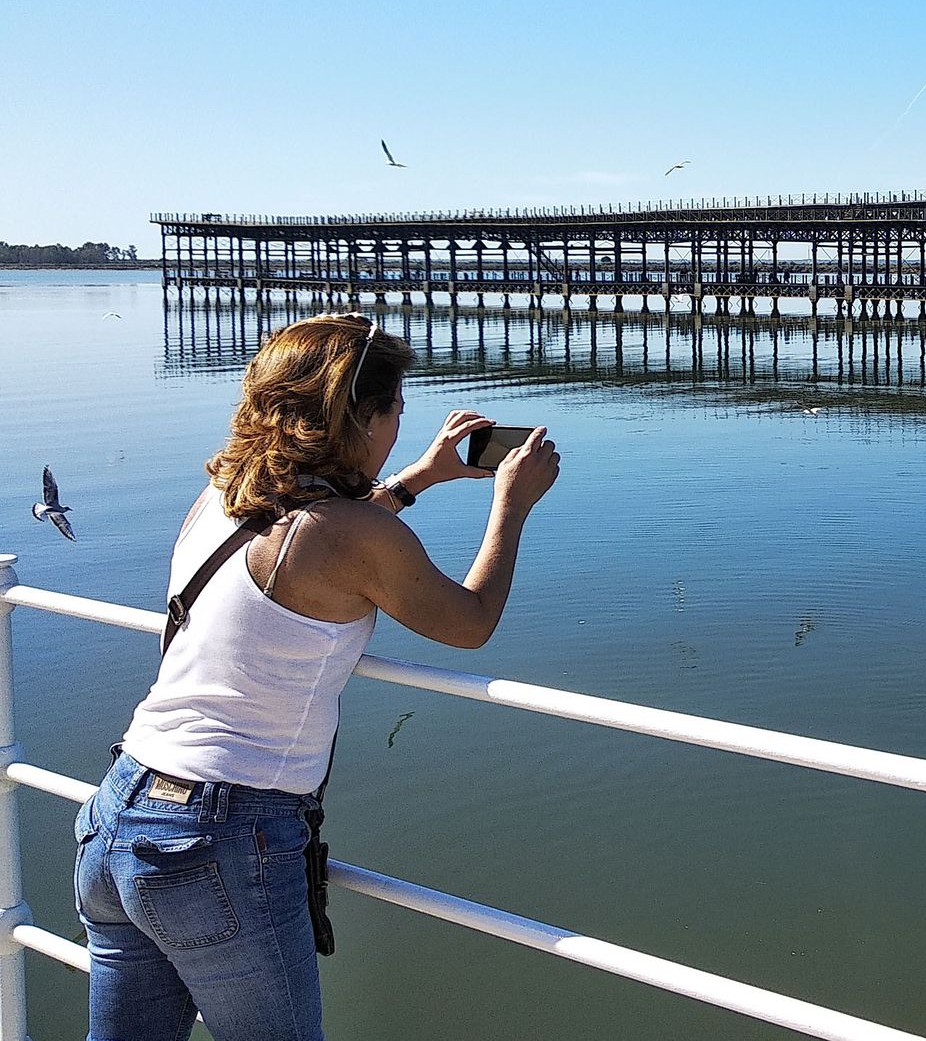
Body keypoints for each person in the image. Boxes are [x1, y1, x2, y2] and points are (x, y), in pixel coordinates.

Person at [72, 312, 560, 1041]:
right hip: (220, 839)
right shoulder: (353, 534)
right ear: (359, 417)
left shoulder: (225, 495)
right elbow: (470, 621)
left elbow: (312, 533)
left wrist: (416, 478)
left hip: (121, 812)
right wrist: (510, 506)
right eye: (395, 409)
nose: (399, 423)